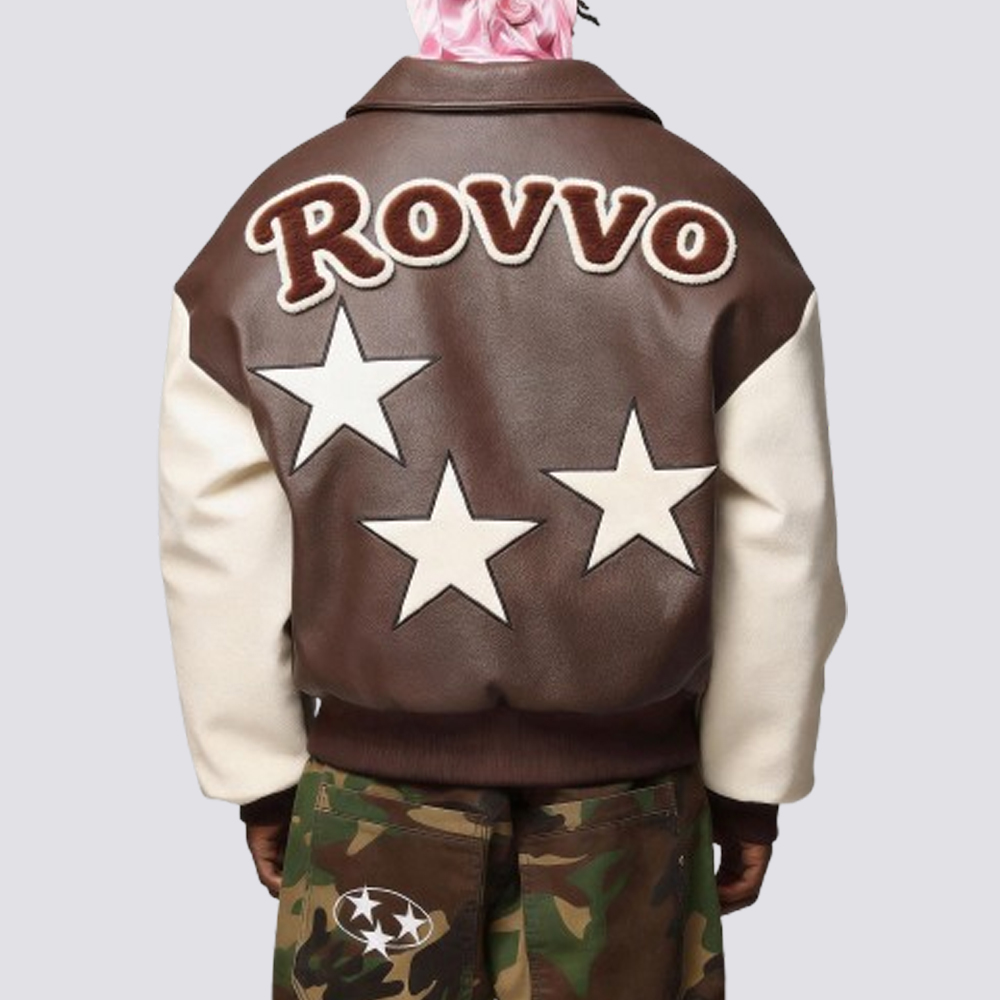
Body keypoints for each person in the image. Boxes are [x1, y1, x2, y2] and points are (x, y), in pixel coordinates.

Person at [157, 1, 847, 996]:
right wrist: (751, 779)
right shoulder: (718, 214)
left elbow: (215, 527)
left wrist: (257, 770)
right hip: (631, 804)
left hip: (368, 799)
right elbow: (782, 535)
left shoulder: (267, 224)